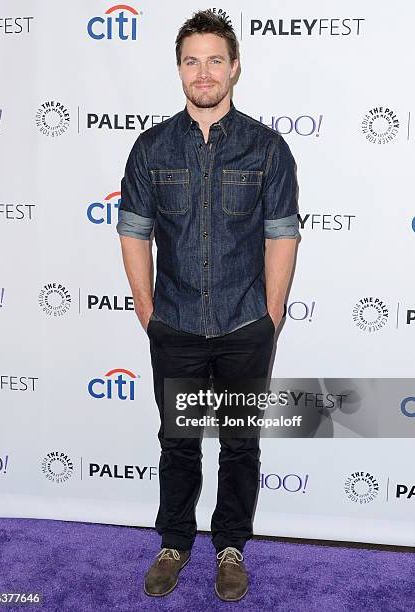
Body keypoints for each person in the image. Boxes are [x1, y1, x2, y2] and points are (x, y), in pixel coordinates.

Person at [117, 9, 300, 602]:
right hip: (175, 324)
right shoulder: (150, 148)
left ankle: (231, 548)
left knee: (241, 443)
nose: (204, 72)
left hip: (246, 323)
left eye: (215, 60)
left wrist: (270, 318)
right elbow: (134, 231)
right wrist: (149, 313)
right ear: (179, 70)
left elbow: (281, 235)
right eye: (192, 61)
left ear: (235, 67)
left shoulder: (267, 148)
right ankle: (174, 542)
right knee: (178, 442)